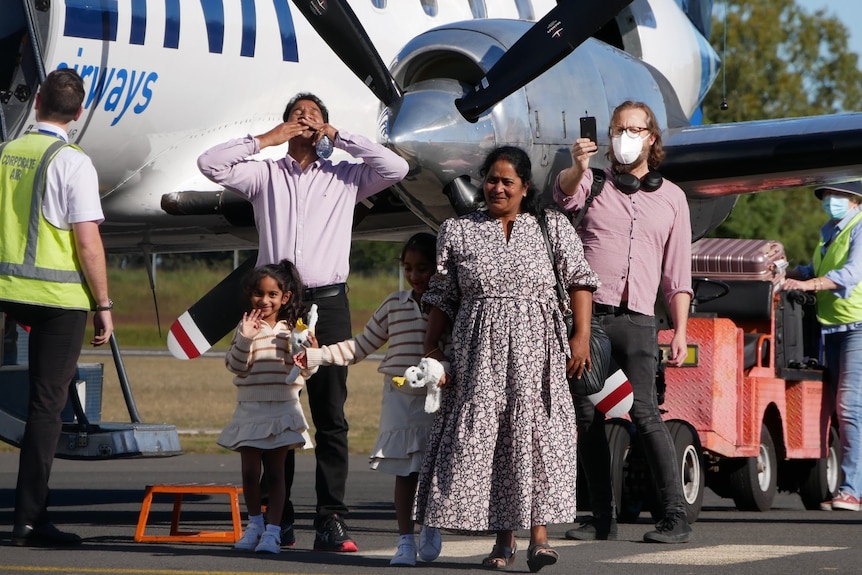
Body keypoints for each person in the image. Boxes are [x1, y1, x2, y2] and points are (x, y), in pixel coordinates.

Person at [198, 92, 408, 551]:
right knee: (278, 411)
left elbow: (397, 169)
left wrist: (339, 136)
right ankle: (280, 519)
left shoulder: (347, 176)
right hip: (279, 304)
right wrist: (267, 139)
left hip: (328, 302)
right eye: (298, 115)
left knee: (330, 413)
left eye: (314, 116)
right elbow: (210, 164)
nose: (305, 120)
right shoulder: (264, 174)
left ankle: (331, 517)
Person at [415, 146, 599, 572]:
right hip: (479, 353)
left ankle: (539, 539)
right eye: (492, 180)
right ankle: (503, 541)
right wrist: (431, 347)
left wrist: (582, 337)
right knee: (495, 438)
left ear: (524, 187)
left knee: (534, 437)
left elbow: (580, 282)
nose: (497, 187)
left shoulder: (551, 226)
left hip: (539, 352)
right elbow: (442, 295)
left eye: (507, 181)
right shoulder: (459, 231)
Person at [554, 100, 694, 544]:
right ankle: (600, 517)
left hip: (638, 319)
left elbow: (678, 275)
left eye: (636, 129)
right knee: (588, 415)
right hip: (590, 317)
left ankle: (674, 516)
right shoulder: (593, 183)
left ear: (652, 138)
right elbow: (561, 197)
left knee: (646, 414)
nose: (626, 136)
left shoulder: (672, 198)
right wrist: (579, 165)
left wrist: (681, 330)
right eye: (619, 128)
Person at [0, 68, 113, 546]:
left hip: (5, 287)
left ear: (38, 100)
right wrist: (103, 302)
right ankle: (28, 519)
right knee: (46, 409)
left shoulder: (7, 153)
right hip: (59, 298)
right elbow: (88, 242)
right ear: (79, 111)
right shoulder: (73, 162)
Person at [294, 232, 445, 566]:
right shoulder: (394, 304)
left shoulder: (451, 306)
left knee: (435, 470)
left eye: (424, 267)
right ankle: (405, 540)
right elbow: (361, 346)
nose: (416, 275)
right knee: (405, 472)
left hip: (437, 399)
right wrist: (318, 356)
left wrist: (444, 371)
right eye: (408, 267)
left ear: (440, 267)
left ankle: (431, 526)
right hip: (400, 399)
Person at [219, 260, 316, 554]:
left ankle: (273, 532)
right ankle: (255, 525)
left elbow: (307, 372)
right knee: (249, 472)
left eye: (273, 294)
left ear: (284, 298)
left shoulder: (292, 330)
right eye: (259, 294)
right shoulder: (247, 327)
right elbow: (236, 367)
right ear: (251, 295)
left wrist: (311, 351)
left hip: (283, 407)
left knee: (276, 473)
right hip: (250, 408)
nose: (265, 300)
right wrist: (246, 338)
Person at [783, 181, 862, 511]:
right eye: (827, 196)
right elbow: (816, 270)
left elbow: (851, 273)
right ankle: (844, 487)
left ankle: (852, 491)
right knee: (829, 410)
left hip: (856, 329)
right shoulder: (830, 231)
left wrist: (809, 284)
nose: (830, 201)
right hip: (829, 330)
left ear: (854, 198)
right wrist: (784, 273)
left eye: (837, 195)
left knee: (850, 409)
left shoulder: (859, 229)